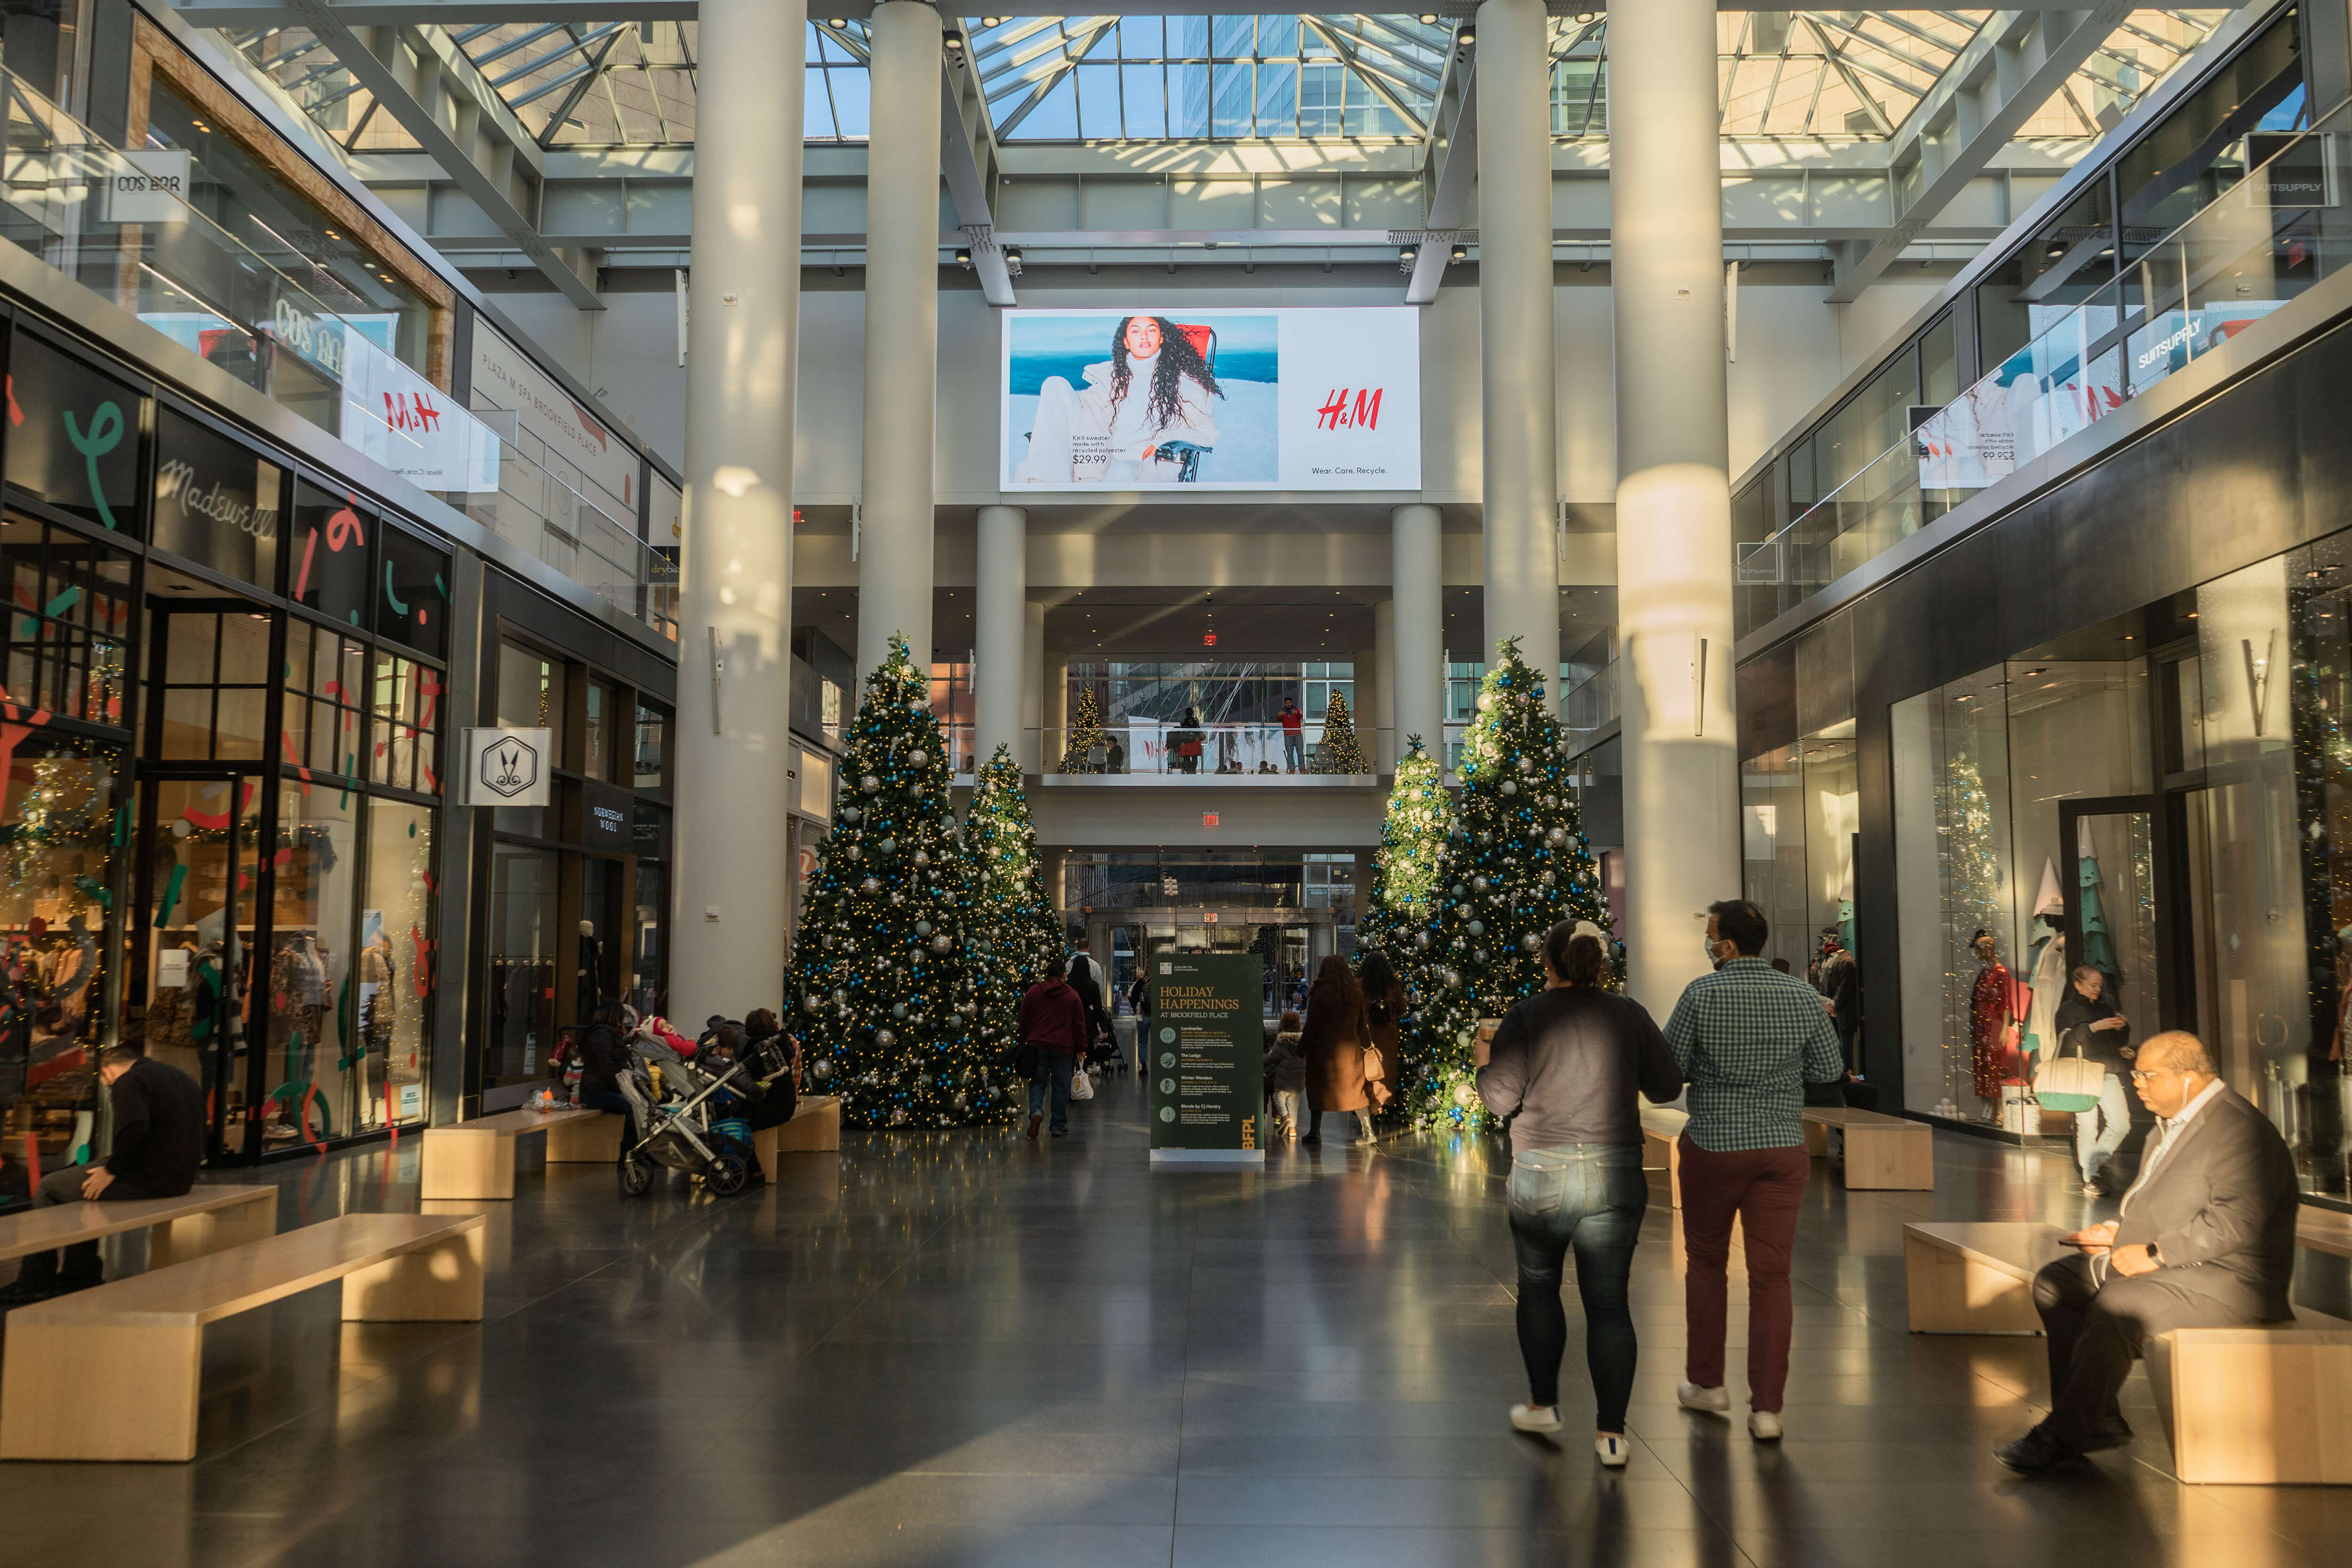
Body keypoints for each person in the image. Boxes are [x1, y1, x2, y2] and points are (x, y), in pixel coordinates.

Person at [1996, 1030, 2300, 1474]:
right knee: (2056, 1282)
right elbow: (2165, 1202)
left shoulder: (2240, 1129)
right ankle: (2098, 1418)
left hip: (2231, 1281)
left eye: (2147, 1074)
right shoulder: (2171, 1125)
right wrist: (2118, 1230)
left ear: (2189, 1077)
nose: (2136, 1082)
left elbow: (2236, 1221)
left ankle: (2062, 1435)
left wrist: (2155, 1253)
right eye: (2136, 1072)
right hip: (2178, 1266)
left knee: (2121, 1305)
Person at [1479, 922, 1684, 1467]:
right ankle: (1611, 1435)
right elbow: (1666, 1087)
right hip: (1615, 1169)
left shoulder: (1526, 1015)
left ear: (1548, 963)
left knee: (1540, 1289)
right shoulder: (1629, 1013)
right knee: (1610, 1302)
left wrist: (1483, 1059)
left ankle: (1543, 1404)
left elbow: (1499, 1100)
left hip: (1540, 1169)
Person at [1664, 898, 1846, 1441]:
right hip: (1780, 1148)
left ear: (1725, 945)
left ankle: (1706, 1384)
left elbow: (1670, 1070)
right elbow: (1828, 1069)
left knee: (1705, 1262)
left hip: (1715, 1144)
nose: (1707, 941)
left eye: (1710, 933)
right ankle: (1766, 1409)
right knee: (1772, 1277)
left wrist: (1709, 1071)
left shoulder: (1701, 993)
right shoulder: (1799, 994)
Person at [1, 1042, 204, 1304]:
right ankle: (79, 1273)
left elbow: (135, 1128)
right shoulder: (181, 1077)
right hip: (180, 1177)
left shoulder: (129, 1081)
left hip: (149, 1179)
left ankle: (35, 1282)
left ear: (107, 1071)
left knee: (50, 1188)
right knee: (82, 1183)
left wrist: (111, 1170)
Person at [1012, 314, 1224, 486]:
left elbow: (1207, 432)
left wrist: (1162, 441)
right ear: (1125, 341)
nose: (1144, 337)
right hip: (1098, 466)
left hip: (1145, 464)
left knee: (1121, 474)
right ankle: (1050, 495)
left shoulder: (1185, 382)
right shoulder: (1111, 376)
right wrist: (1089, 477)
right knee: (1055, 385)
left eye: (1151, 330)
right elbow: (1092, 418)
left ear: (1161, 338)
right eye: (1136, 331)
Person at [2053, 965, 2135, 1196]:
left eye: (2100, 985)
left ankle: (2093, 1165)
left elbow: (2120, 1041)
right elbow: (2066, 1041)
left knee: (2121, 1124)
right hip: (2080, 1072)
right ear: (2078, 984)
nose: (2098, 990)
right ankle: (2091, 1177)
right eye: (2093, 985)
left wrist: (2121, 1026)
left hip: (2108, 1070)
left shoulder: (2106, 1004)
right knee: (2087, 1126)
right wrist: (2093, 1027)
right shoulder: (2067, 1010)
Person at [1300, 954, 1375, 1146]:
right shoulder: (1354, 992)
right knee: (1356, 1091)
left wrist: (1302, 1048)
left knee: (1318, 1091)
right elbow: (1362, 1024)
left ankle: (1315, 1133)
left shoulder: (1320, 991)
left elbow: (1313, 1024)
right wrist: (1366, 1046)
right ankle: (1368, 1132)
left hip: (1323, 1053)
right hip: (1350, 1052)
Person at [1017, 956, 1089, 1141]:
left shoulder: (1034, 992)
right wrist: (1082, 1047)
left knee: (1038, 1082)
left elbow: (1024, 1017)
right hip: (1063, 1047)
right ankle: (1058, 1125)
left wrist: (1027, 1038)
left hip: (1038, 1044)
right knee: (1061, 1086)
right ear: (1064, 975)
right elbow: (1079, 1025)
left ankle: (1036, 1112)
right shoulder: (1072, 996)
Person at [572, 1000, 638, 1164]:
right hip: (596, 1091)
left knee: (638, 1107)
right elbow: (606, 1066)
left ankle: (634, 1152)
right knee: (634, 1108)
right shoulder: (602, 1035)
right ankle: (628, 1154)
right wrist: (622, 1087)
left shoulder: (603, 1033)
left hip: (600, 1089)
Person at [1358, 949, 1406, 1111]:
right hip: (1388, 1033)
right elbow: (1401, 1008)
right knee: (1386, 1071)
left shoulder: (1359, 984)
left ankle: (1368, 1104)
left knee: (1367, 1070)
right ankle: (1384, 1106)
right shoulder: (1393, 985)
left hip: (1367, 1033)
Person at [1263, 1010, 1306, 1138]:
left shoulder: (1281, 1040)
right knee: (1294, 1103)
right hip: (1298, 1078)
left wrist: (1264, 1057)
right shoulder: (1303, 1040)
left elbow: (1273, 1058)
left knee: (1278, 1097)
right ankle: (1293, 1130)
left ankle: (1284, 1116)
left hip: (1283, 1077)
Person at [1067, 937, 1112, 1057]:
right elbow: (1100, 990)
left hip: (1070, 1014)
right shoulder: (1095, 966)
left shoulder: (1068, 965)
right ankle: (1089, 1064)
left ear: (1077, 948)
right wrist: (1104, 1027)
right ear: (1088, 948)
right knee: (1088, 1040)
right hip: (1089, 1013)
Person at [1279, 695, 1305, 772]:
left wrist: (1296, 713)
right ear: (1285, 704)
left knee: (1300, 753)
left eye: (1289, 703)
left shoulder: (1297, 710)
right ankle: (1292, 769)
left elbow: (1300, 717)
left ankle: (1302, 769)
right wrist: (1279, 715)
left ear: (1292, 703)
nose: (1288, 704)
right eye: (1287, 703)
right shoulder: (1283, 713)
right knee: (1290, 754)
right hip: (1288, 736)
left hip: (1298, 735)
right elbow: (1278, 719)